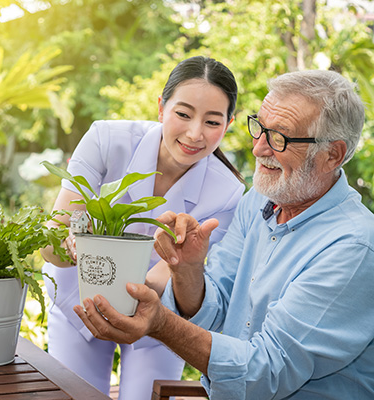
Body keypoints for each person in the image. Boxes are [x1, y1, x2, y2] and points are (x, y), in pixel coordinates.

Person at [73, 69, 374, 400]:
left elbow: (264, 373)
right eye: (260, 129)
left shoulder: (353, 247)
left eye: (280, 138)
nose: (259, 149)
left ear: (332, 154)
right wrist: (187, 270)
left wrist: (160, 323)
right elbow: (214, 313)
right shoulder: (259, 202)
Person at [40, 55, 245, 399]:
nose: (195, 134)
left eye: (212, 121)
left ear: (228, 124)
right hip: (77, 300)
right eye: (183, 114)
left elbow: (167, 277)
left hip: (155, 315)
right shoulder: (107, 140)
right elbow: (51, 245)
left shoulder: (228, 193)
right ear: (161, 108)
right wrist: (72, 244)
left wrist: (136, 298)